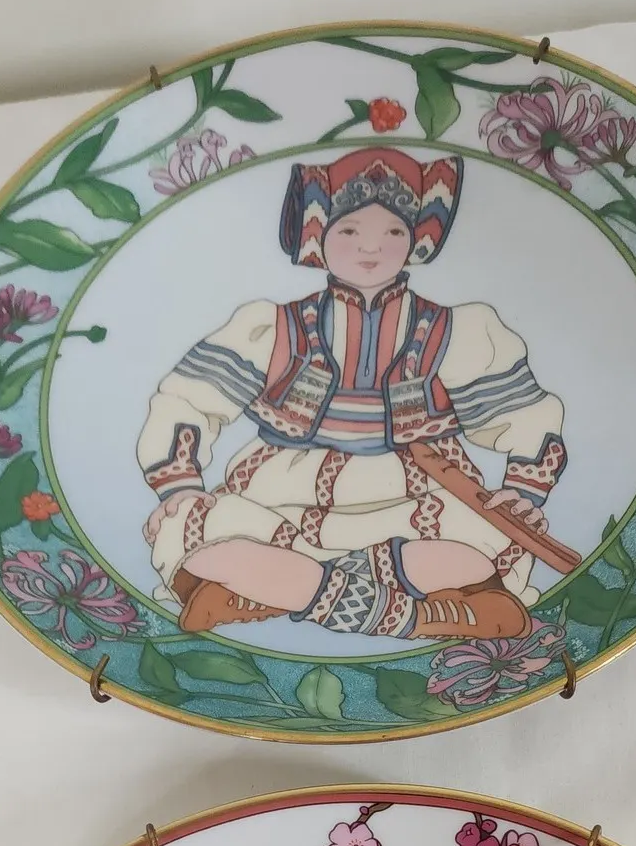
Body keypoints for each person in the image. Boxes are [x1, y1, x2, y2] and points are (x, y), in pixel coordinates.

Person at [138, 147, 568, 642]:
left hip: (416, 487)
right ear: (319, 237)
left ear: (416, 239)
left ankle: (271, 590)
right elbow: (191, 398)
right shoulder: (274, 327)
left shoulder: (453, 330)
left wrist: (522, 489)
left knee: (476, 540)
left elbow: (519, 411)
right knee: (192, 525)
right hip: (284, 487)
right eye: (349, 232)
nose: (371, 248)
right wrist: (179, 484)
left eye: (393, 233)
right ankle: (423, 614)